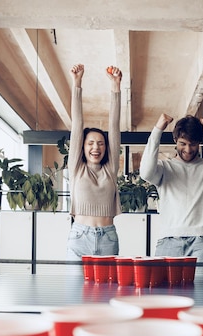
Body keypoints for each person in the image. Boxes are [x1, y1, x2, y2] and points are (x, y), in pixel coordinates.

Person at [139, 113, 203, 275]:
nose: (188, 149)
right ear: (175, 141)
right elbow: (145, 172)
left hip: (201, 242)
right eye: (183, 143)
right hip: (169, 241)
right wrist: (157, 130)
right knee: (165, 297)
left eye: (193, 144)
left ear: (199, 143)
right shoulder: (164, 168)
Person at [66, 63, 123, 264]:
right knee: (75, 295)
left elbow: (114, 127)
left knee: (106, 295)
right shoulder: (76, 168)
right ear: (82, 147)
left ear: (106, 148)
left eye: (100, 143)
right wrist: (77, 83)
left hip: (108, 238)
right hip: (80, 237)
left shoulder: (110, 169)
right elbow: (77, 125)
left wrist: (116, 87)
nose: (95, 147)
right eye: (90, 143)